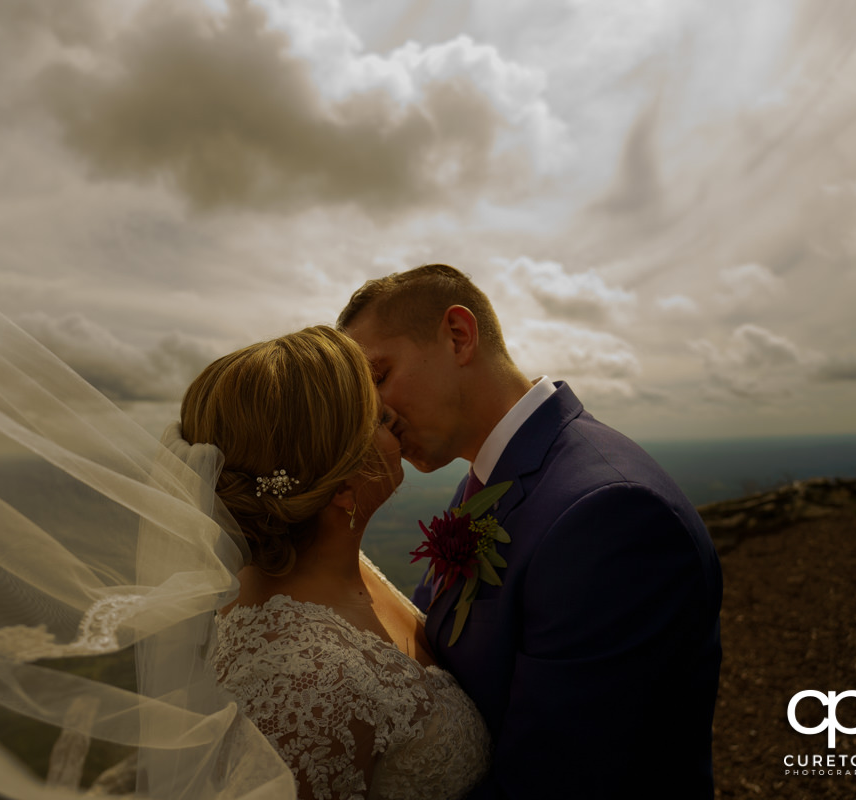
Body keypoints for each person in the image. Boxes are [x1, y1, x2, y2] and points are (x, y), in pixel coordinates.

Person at [338, 264, 723, 800]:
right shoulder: (481, 485)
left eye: (378, 376)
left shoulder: (611, 515)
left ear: (458, 335)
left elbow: (558, 786)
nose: (374, 412)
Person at [179, 325, 490, 800]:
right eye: (379, 419)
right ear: (344, 489)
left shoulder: (339, 562)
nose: (394, 416)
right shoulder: (302, 686)